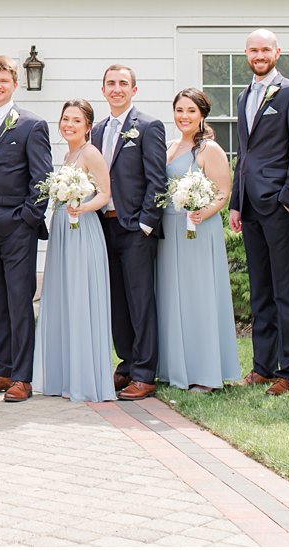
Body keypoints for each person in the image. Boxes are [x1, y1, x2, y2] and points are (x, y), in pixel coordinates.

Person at [228, 29, 289, 396]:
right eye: (253, 49)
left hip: (279, 206)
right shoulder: (243, 95)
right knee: (261, 289)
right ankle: (262, 366)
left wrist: (287, 197)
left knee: (285, 289)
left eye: (266, 49)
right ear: (246, 54)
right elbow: (244, 154)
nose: (259, 54)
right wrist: (236, 201)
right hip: (249, 205)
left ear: (278, 52)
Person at [0, 54, 52, 403]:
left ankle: (22, 377)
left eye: (4, 80)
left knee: (19, 302)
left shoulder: (31, 124)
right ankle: (2, 371)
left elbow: (42, 178)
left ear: (15, 84)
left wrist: (27, 219)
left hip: (18, 227)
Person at [90, 64, 168, 401]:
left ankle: (145, 373)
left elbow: (157, 179)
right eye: (111, 83)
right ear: (103, 89)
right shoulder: (96, 130)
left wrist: (146, 223)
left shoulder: (148, 127)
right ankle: (126, 364)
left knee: (140, 300)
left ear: (134, 90)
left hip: (135, 228)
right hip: (102, 225)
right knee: (116, 299)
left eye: (123, 83)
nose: (117, 89)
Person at [156, 89, 240, 393]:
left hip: (197, 229)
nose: (184, 116)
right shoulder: (170, 146)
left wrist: (201, 213)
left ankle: (205, 373)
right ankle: (174, 368)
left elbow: (223, 191)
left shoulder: (210, 149)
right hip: (169, 227)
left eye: (191, 111)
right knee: (171, 296)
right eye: (179, 110)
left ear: (202, 114)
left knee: (198, 296)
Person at [34, 100, 116, 403]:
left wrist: (82, 207)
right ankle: (64, 374)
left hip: (83, 231)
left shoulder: (91, 153)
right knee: (64, 298)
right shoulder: (69, 154)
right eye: (65, 119)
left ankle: (85, 377)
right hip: (64, 233)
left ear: (88, 126)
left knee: (81, 298)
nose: (69, 124)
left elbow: (105, 194)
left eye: (76, 120)